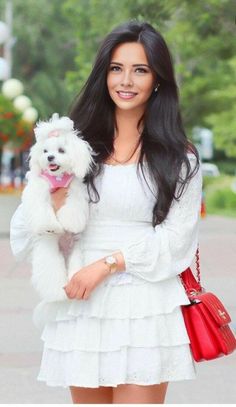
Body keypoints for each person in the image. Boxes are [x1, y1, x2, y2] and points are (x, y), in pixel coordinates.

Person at [10, 21, 202, 404]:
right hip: (81, 303)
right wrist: (53, 204)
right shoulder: (75, 146)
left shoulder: (178, 157)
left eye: (140, 70)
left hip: (145, 302)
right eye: (116, 68)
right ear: (104, 75)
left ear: (157, 80)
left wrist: (107, 265)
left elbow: (176, 238)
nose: (126, 80)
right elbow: (26, 220)